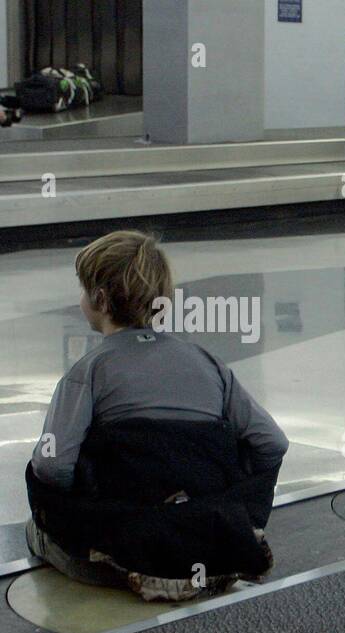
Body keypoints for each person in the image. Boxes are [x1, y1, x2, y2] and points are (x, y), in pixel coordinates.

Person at [25, 230, 288, 601]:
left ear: (99, 299)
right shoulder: (205, 362)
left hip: (129, 529)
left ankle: (132, 561)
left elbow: (53, 466)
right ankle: (210, 539)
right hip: (203, 520)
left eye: (84, 291)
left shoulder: (89, 372)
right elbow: (272, 443)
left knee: (38, 513)